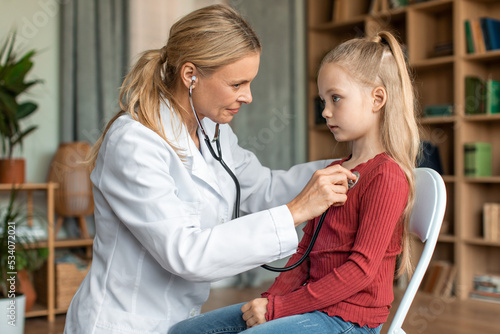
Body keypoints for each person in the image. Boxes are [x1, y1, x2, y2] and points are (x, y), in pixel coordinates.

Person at [63, 4, 356, 334]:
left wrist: (350, 166)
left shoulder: (213, 132)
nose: (248, 97)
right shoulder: (133, 143)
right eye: (237, 84)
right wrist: (296, 212)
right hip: (124, 325)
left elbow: (264, 189)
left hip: (182, 322)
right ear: (191, 75)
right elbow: (184, 253)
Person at [168, 30, 420, 334]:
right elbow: (304, 253)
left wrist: (278, 309)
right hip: (314, 307)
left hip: (348, 320)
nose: (326, 111)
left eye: (336, 98)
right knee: (184, 331)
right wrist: (270, 301)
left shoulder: (386, 176)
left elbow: (361, 271)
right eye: (323, 100)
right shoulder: (335, 172)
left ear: (377, 98)